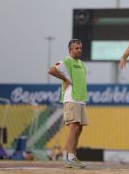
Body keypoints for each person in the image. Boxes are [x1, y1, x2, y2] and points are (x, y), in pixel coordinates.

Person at [48, 39, 88, 169]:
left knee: (79, 129)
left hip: (81, 99)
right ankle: (69, 157)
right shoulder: (66, 61)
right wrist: (64, 78)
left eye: (80, 48)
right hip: (71, 98)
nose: (79, 50)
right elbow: (51, 70)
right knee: (73, 128)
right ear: (70, 50)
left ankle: (72, 157)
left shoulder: (81, 63)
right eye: (76, 48)